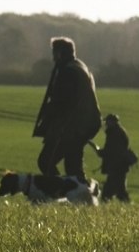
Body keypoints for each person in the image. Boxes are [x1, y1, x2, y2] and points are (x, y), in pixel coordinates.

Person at [32, 37, 101, 180]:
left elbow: (61, 102)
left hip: (70, 128)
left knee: (46, 162)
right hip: (84, 125)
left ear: (60, 53)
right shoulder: (80, 66)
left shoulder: (67, 72)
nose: (53, 58)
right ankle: (81, 196)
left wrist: (50, 125)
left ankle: (58, 191)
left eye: (54, 53)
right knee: (73, 168)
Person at [96, 113, 137, 203]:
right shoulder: (118, 131)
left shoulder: (114, 133)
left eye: (108, 121)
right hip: (120, 167)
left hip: (116, 167)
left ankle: (105, 208)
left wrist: (101, 152)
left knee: (107, 193)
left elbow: (113, 151)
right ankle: (128, 206)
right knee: (120, 192)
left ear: (112, 122)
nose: (106, 123)